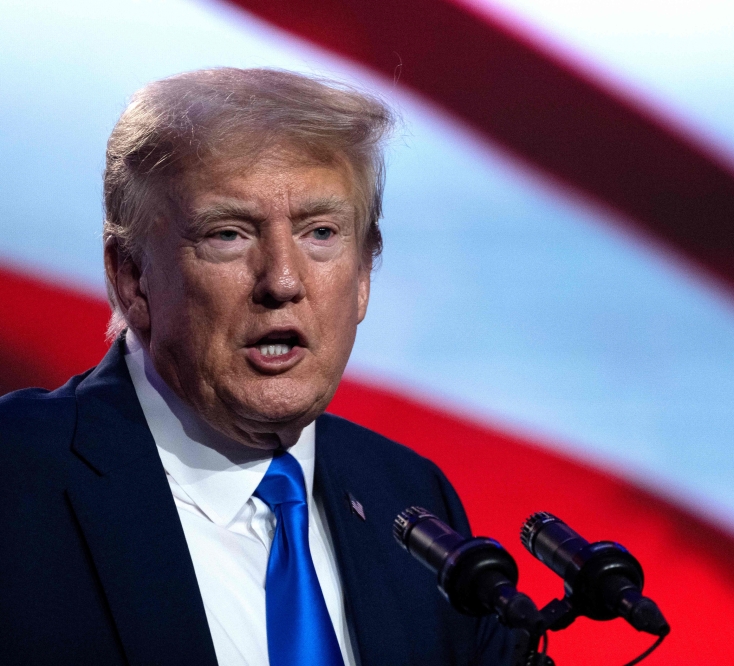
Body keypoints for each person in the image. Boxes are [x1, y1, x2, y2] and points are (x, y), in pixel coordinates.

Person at [0, 68, 513, 666]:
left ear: (365, 274)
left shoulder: (411, 500)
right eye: (229, 235)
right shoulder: (19, 478)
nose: (283, 281)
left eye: (320, 232)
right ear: (131, 277)